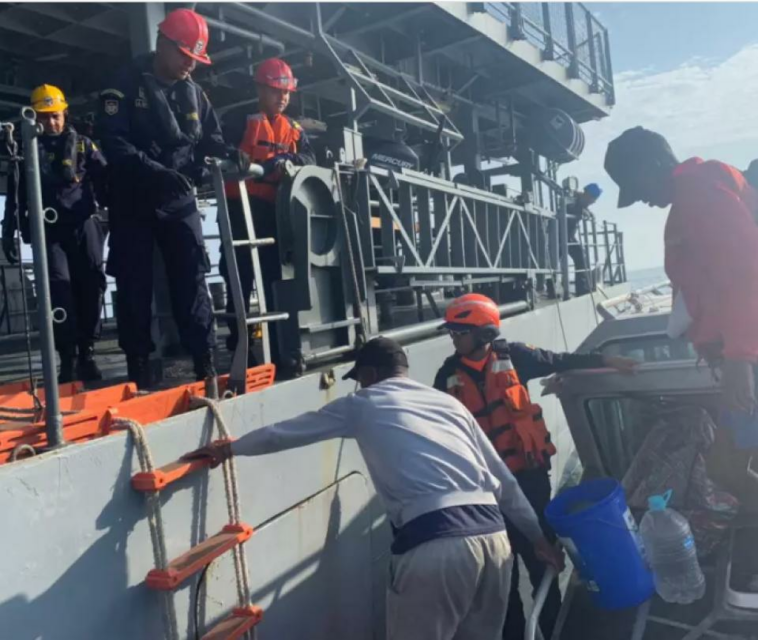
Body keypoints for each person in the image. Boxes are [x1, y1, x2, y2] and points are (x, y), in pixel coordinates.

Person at [184, 337, 565, 640]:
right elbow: (505, 482)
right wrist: (537, 539)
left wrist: (229, 447)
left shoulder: (363, 403)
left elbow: (284, 433)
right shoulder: (449, 405)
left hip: (437, 541)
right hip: (494, 537)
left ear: (369, 373)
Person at [433, 293, 637, 639]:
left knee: (542, 559)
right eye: (452, 333)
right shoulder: (447, 376)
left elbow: (561, 360)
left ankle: (554, 628)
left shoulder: (516, 358)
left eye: (459, 332)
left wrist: (606, 359)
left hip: (529, 481)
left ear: (483, 333)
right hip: (485, 490)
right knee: (501, 574)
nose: (454, 339)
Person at [97, 8, 248, 389]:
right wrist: (152, 170)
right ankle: (138, 365)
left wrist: (232, 155)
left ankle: (204, 361)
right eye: (185, 56)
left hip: (179, 200)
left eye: (195, 60)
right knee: (134, 283)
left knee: (192, 278)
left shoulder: (194, 93)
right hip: (135, 199)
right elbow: (114, 141)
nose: (189, 66)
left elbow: (211, 138)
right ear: (163, 43)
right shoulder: (124, 84)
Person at [605, 126, 758, 413]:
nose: (639, 198)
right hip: (739, 353)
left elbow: (744, 272)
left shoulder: (700, 193)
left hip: (746, 358)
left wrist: (739, 358)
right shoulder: (693, 197)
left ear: (654, 165)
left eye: (635, 185)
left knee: (737, 446)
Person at [2, 84, 108, 383]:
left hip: (84, 226)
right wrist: (8, 231)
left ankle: (87, 352)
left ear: (65, 114)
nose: (51, 123)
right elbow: (15, 195)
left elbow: (106, 180)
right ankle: (67, 358)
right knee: (58, 290)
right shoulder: (24, 153)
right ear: (34, 117)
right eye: (44, 116)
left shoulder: (85, 145)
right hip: (48, 231)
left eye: (56, 116)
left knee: (91, 284)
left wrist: (114, 217)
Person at [221, 58, 315, 368]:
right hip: (239, 210)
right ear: (260, 89)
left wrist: (288, 157)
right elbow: (217, 145)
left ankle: (279, 346)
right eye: (276, 91)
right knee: (238, 277)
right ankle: (239, 343)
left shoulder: (294, 128)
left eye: (287, 92)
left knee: (275, 278)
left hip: (273, 213)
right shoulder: (238, 119)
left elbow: (311, 155)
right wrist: (232, 155)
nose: (283, 97)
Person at [565, 183, 602, 295]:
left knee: (581, 256)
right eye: (592, 198)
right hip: (558, 235)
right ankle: (550, 288)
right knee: (552, 264)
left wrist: (589, 212)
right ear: (586, 194)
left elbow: (582, 207)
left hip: (569, 236)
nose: (593, 202)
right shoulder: (571, 199)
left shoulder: (582, 202)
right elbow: (569, 208)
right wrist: (582, 211)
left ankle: (582, 289)